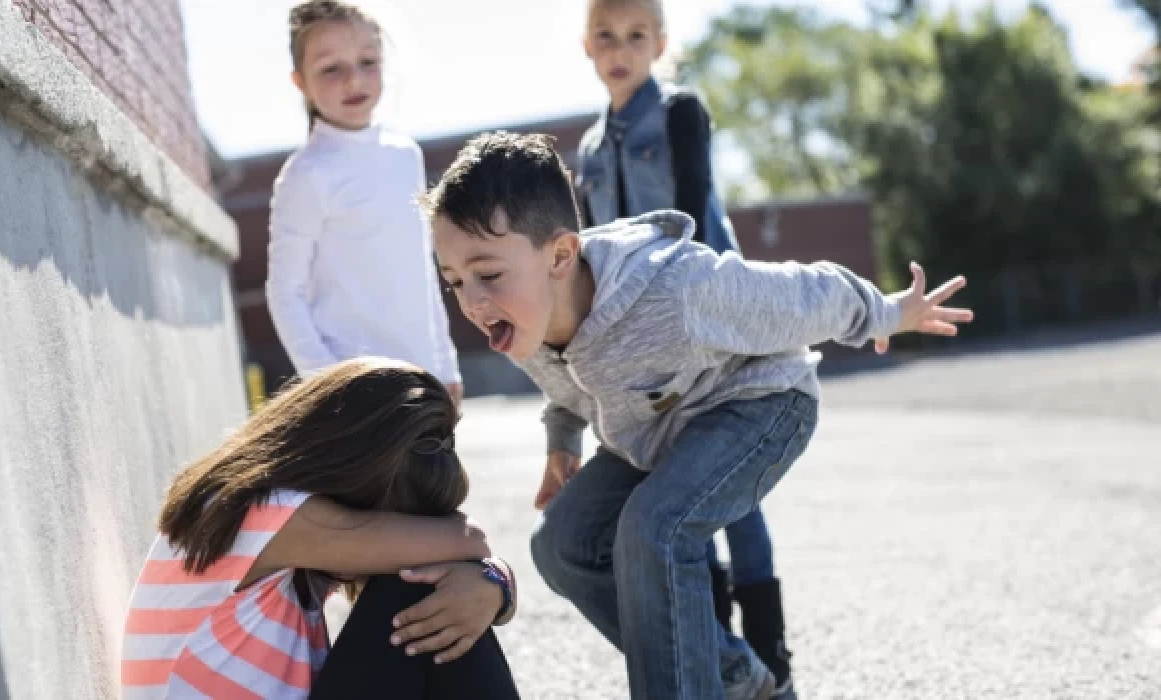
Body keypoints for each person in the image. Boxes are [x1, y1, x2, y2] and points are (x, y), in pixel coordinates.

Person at [424, 132, 972, 700]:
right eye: (454, 281)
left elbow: (803, 294)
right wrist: (561, 441)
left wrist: (885, 312)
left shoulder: (675, 289)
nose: (472, 301)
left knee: (655, 528)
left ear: (561, 255)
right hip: (655, 431)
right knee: (561, 543)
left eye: (488, 274)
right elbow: (565, 389)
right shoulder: (529, 320)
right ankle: (727, 671)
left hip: (759, 406)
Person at [572, 0, 785, 693]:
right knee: (681, 492)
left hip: (713, 325)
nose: (619, 48)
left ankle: (774, 666)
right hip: (642, 349)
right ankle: (722, 664)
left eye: (636, 36)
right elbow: (593, 257)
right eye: (605, 36)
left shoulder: (680, 112)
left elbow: (694, 209)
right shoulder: (588, 150)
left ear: (660, 43)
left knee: (736, 498)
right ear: (587, 46)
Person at [120, 357, 522, 699]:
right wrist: (489, 576)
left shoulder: (280, 534)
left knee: (440, 591)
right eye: (390, 520)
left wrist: (491, 582)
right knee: (417, 584)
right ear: (349, 475)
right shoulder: (263, 511)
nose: (394, 538)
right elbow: (470, 541)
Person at [266, 0, 462, 404]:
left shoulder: (405, 154)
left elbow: (422, 272)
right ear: (300, 81)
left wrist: (446, 365)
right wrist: (327, 382)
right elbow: (285, 292)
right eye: (330, 69)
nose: (353, 80)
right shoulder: (306, 175)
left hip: (422, 378)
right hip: (355, 391)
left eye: (367, 62)